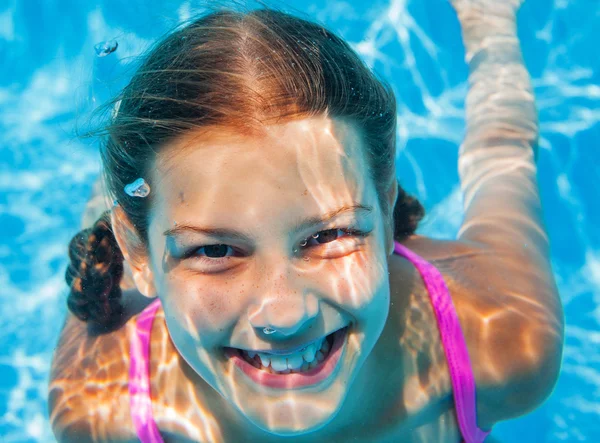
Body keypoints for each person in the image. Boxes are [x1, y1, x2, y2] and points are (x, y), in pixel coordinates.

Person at [48, 1, 564, 442]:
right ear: (140, 257)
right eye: (214, 250)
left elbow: (504, 168)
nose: (285, 314)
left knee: (504, 156)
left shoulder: (502, 342)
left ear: (385, 216)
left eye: (330, 234)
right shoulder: (99, 405)